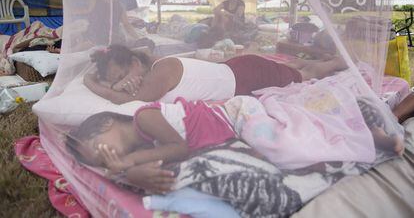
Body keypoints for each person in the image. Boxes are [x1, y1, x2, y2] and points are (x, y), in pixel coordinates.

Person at [66, 95, 403, 192]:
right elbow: (156, 164)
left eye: (96, 147)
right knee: (286, 145)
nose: (101, 158)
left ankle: (366, 134)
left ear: (108, 123)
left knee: (284, 148)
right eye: (96, 160)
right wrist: (128, 169)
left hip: (238, 115)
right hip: (236, 130)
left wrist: (125, 165)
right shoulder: (140, 146)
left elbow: (179, 149)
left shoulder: (144, 118)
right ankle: (356, 132)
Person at [83, 44, 348, 104]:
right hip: (239, 69)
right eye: (116, 80)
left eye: (123, 74)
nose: (123, 82)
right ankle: (311, 61)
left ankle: (336, 61)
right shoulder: (151, 66)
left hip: (249, 75)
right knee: (292, 70)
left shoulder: (159, 72)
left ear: (134, 62)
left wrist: (91, 83)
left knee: (308, 74)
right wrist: (118, 81)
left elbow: (128, 101)